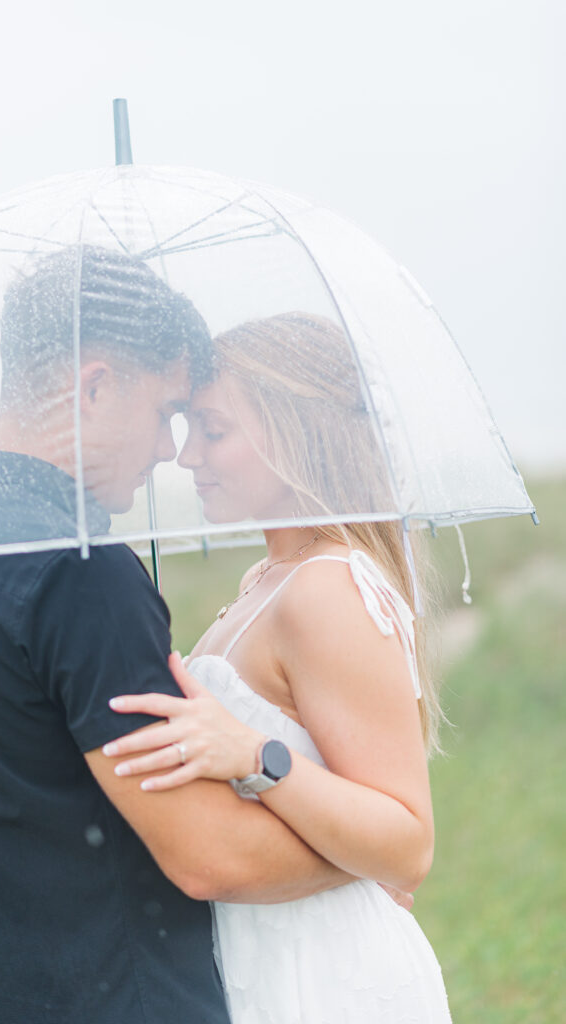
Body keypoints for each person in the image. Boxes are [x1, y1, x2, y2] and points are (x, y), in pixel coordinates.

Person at [0, 264, 369, 1024]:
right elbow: (207, 857)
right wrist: (365, 858)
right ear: (96, 386)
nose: (167, 450)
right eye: (167, 410)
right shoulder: (83, 571)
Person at [102, 312, 454, 1021]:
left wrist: (252, 754)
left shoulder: (328, 589)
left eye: (214, 430)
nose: (186, 455)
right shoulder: (268, 580)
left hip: (324, 977)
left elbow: (408, 842)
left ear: (297, 433)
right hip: (260, 960)